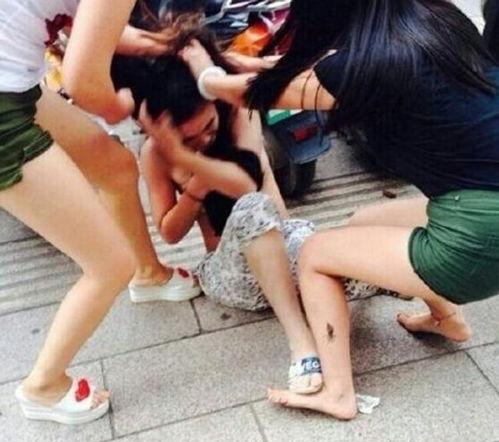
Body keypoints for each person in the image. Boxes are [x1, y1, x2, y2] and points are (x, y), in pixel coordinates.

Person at [180, 0, 499, 419]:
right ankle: (447, 318)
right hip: (474, 203)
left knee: (316, 254)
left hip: (479, 232)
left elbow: (254, 95)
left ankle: (338, 394)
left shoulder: (368, 65)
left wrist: (205, 74)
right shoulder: (435, 19)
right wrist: (248, 64)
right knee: (364, 223)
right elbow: (318, 73)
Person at [113, 30, 380, 394]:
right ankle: (301, 343)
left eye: (208, 127)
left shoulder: (238, 114)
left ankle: (436, 306)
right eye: (187, 139)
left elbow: (248, 182)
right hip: (229, 272)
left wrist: (191, 160)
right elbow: (170, 232)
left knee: (362, 255)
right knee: (252, 210)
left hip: (286, 244)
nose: (203, 140)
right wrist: (194, 184)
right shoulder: (155, 154)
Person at [0, 0, 194, 425]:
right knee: (109, 266)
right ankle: (43, 387)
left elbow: (92, 27)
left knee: (115, 166)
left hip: (16, 84)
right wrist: (124, 106)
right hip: (3, 107)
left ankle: (149, 274)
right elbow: (84, 83)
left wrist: (159, 44)